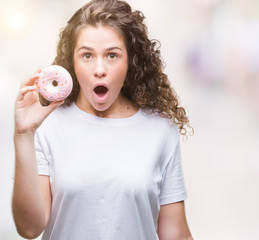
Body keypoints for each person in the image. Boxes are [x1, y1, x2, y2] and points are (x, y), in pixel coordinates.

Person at [12, 0, 193, 239]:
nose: (99, 69)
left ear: (131, 61)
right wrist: (24, 135)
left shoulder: (160, 130)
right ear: (72, 63)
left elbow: (176, 234)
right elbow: (29, 228)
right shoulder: (47, 127)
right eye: (87, 55)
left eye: (112, 55)